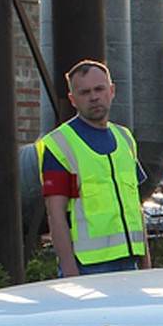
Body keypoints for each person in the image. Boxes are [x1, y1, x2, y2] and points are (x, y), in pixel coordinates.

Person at [37, 59, 151, 276]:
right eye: (84, 92)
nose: (94, 96)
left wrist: (146, 263)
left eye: (99, 89)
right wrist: (70, 271)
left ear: (112, 91)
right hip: (88, 268)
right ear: (73, 99)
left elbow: (135, 206)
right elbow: (55, 213)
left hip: (130, 263)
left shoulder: (125, 139)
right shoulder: (60, 145)